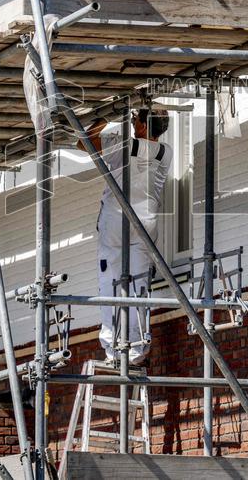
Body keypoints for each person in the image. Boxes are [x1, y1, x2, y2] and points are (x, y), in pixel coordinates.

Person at [79, 109, 171, 366]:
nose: (131, 120)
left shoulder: (123, 145)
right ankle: (137, 346)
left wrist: (105, 117)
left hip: (116, 218)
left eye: (135, 118)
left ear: (143, 125)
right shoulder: (166, 152)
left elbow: (83, 143)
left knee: (110, 279)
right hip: (146, 223)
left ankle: (112, 346)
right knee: (139, 285)